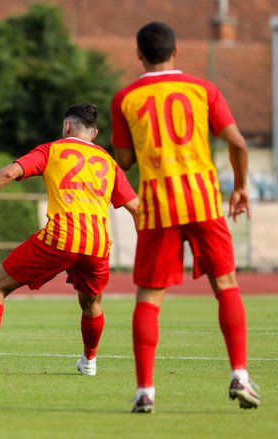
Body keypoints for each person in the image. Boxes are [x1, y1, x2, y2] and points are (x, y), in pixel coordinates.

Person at [111, 22, 260, 413]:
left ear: (139, 55)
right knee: (225, 285)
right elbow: (239, 143)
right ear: (176, 51)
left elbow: (124, 161)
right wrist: (241, 186)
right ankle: (240, 375)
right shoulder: (202, 89)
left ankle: (146, 391)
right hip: (203, 202)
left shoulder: (125, 98)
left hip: (158, 205)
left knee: (149, 297)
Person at [0, 103, 139, 378]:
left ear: (67, 126)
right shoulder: (108, 162)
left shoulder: (53, 150)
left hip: (61, 236)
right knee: (92, 304)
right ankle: (89, 362)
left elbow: (9, 173)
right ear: (94, 134)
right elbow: (136, 208)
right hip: (97, 244)